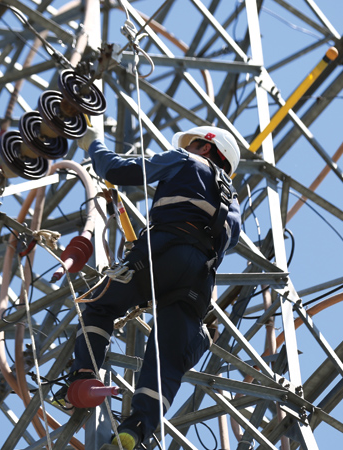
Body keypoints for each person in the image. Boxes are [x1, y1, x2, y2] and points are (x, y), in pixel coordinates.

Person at [53, 125, 242, 449]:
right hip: (198, 279)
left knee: (100, 305)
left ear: (207, 148)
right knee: (168, 357)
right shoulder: (236, 207)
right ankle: (135, 430)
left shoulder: (187, 161)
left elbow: (116, 170)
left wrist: (93, 145)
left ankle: (83, 379)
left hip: (160, 254)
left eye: (195, 145)